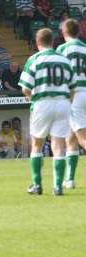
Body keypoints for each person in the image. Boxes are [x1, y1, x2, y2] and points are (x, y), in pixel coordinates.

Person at [19, 28, 75, 196]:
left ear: (37, 42)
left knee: (37, 145)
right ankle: (58, 186)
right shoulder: (64, 60)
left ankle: (37, 185)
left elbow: (25, 88)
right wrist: (67, 101)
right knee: (59, 145)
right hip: (62, 103)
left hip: (42, 104)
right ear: (53, 41)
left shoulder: (34, 59)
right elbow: (73, 88)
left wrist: (31, 97)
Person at [56, 19, 86, 189]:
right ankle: (70, 179)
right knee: (71, 137)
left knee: (82, 137)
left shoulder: (61, 49)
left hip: (73, 95)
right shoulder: (85, 47)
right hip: (85, 91)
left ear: (65, 31)